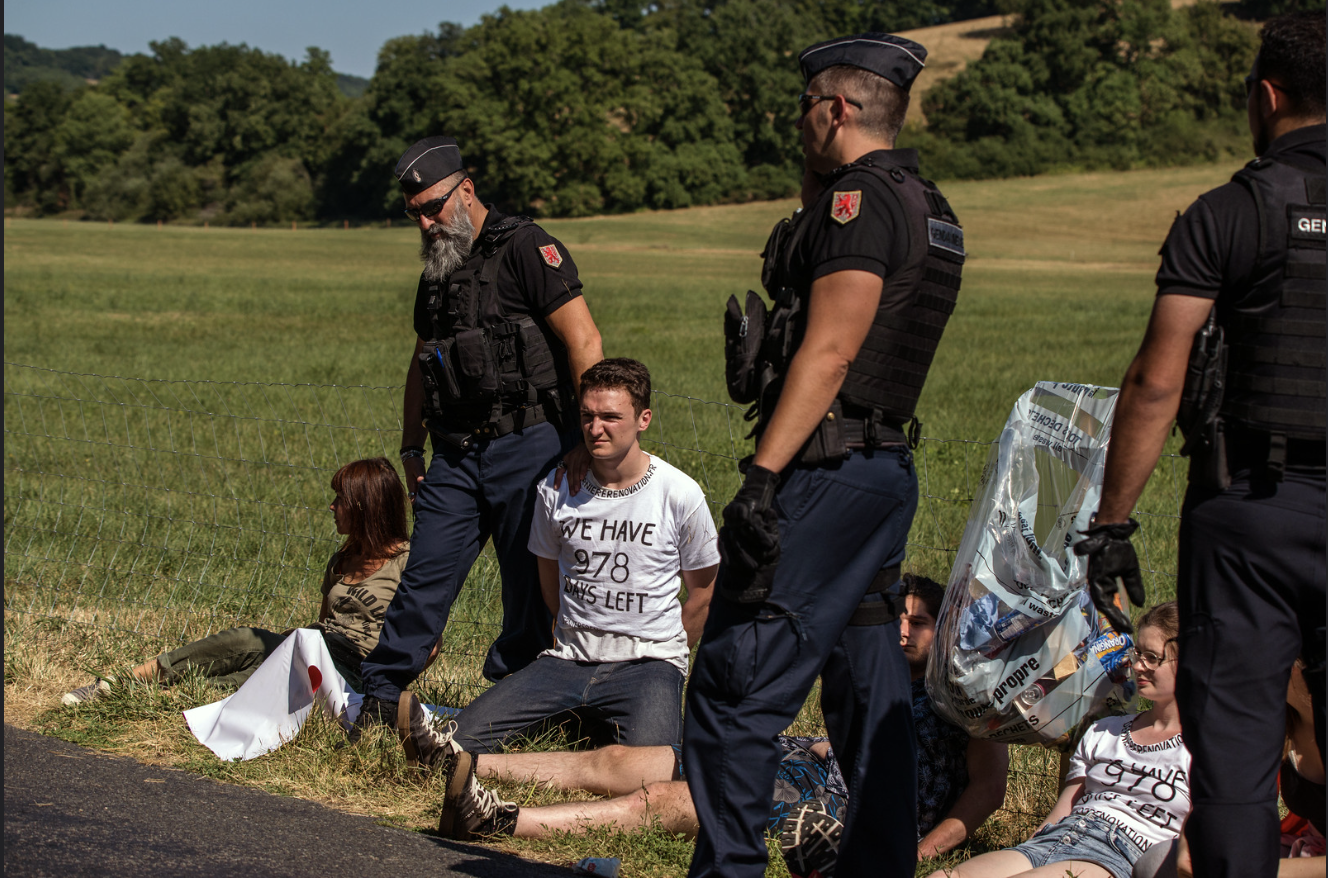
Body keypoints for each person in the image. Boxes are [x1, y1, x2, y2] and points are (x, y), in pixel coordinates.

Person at [685, 32, 966, 877]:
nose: (797, 123)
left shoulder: (859, 205)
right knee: (866, 684)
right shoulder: (925, 201)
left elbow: (831, 350)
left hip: (824, 473)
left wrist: (762, 476)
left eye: (805, 109)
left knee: (737, 690)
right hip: (882, 475)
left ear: (834, 109)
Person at [1073, 13, 1324, 878]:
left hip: (1251, 510)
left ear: (1266, 97)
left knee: (1238, 764)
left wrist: (1112, 522)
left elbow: (1156, 380)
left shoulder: (1228, 214)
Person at [434, 574, 1008, 878]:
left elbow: (988, 789)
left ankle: (502, 822)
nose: (903, 630)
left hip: (835, 808)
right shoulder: (874, 674)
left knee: (662, 800)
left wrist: (925, 850)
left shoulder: (962, 696)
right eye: (897, 618)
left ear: (947, 630)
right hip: (806, 760)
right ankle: (461, 761)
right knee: (623, 760)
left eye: (921, 621)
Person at [354, 135, 604, 736]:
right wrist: (412, 446)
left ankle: (522, 711)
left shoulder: (526, 248)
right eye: (414, 212)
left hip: (532, 445)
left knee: (529, 591)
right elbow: (422, 361)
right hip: (456, 455)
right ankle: (378, 700)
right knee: (423, 581)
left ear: (465, 189)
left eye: (434, 206)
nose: (425, 221)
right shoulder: (437, 272)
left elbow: (584, 341)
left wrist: (588, 439)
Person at [449, 358, 719, 753]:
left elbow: (703, 593)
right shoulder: (555, 490)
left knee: (651, 773)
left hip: (649, 664)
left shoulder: (679, 493)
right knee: (456, 743)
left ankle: (598, 727)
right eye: (587, 416)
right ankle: (585, 724)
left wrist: (668, 653)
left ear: (643, 419)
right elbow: (550, 587)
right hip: (567, 660)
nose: (596, 429)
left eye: (611, 417)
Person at [62, 457, 410, 703]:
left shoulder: (406, 562)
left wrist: (386, 691)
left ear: (366, 507)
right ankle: (125, 683)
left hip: (354, 671)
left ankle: (158, 694)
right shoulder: (342, 559)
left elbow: (430, 642)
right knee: (248, 647)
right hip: (309, 648)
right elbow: (322, 621)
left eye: (340, 499)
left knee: (248, 671)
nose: (332, 507)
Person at [928, 602, 1190, 878]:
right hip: (1061, 838)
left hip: (1117, 855)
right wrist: (1033, 843)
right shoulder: (1105, 730)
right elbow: (1066, 806)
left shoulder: (1207, 752)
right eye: (1137, 653)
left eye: (1152, 657)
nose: (1138, 665)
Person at [1131, 660, 1326, 878]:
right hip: (1305, 851)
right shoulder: (1277, 718)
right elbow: (1224, 789)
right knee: (1157, 862)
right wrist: (1195, 836)